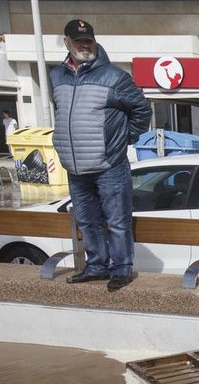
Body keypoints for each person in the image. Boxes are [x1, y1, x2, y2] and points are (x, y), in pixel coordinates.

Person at [50, 18, 151, 291]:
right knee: (86, 220)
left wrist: (124, 139)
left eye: (88, 40)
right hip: (75, 165)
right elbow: (61, 112)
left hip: (109, 164)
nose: (85, 45)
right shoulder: (56, 76)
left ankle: (121, 269)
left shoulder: (115, 77)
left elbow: (142, 110)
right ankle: (96, 265)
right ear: (66, 42)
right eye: (79, 40)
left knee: (117, 221)